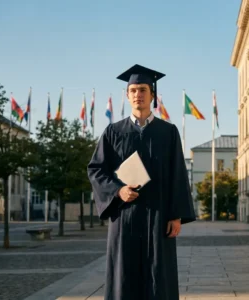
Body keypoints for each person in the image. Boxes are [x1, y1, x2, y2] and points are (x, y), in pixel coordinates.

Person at [87, 64, 196, 300]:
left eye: (143, 89)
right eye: (134, 90)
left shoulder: (168, 132)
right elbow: (96, 170)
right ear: (127, 95)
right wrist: (118, 191)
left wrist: (176, 214)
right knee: (125, 276)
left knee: (159, 276)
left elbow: (178, 173)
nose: (138, 94)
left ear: (152, 95)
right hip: (125, 215)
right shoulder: (113, 132)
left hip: (159, 216)